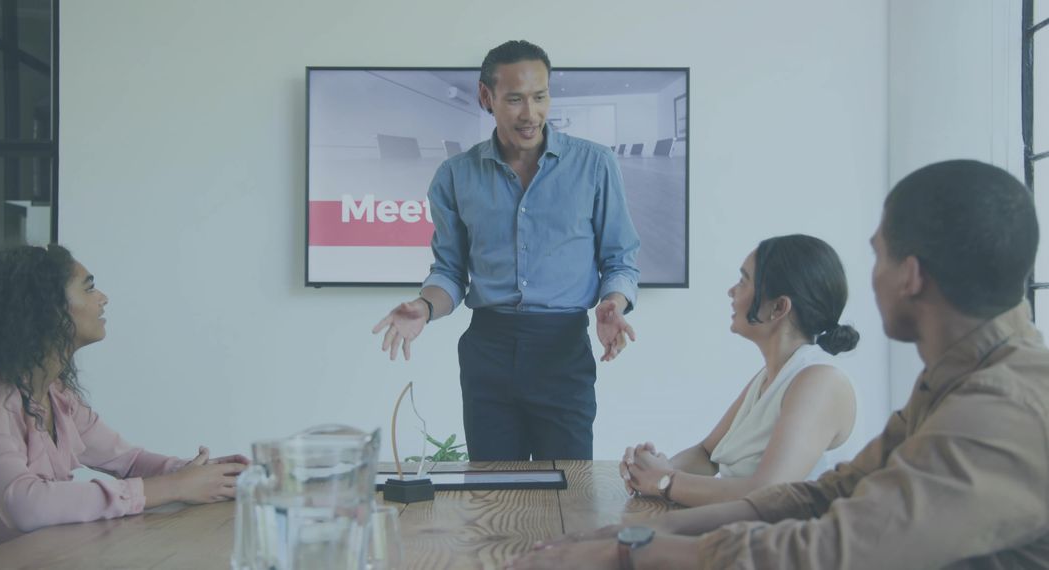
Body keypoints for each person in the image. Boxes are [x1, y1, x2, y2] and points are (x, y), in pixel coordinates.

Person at [509, 159, 1049, 569]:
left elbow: (828, 548)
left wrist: (632, 552)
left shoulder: (1004, 407)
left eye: (878, 255)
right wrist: (623, 538)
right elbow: (818, 496)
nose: (872, 277)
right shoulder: (956, 382)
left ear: (910, 275)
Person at [372, 40, 641, 461]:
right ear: (486, 97)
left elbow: (620, 259)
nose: (530, 114)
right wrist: (425, 306)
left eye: (540, 97)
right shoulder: (456, 175)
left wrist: (613, 302)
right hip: (488, 349)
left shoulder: (595, 164)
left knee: (570, 495)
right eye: (515, 99)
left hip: (562, 350)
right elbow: (449, 272)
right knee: (492, 497)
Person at [0, 245, 249, 556]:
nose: (103, 297)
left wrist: (201, 474)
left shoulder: (57, 396)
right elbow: (23, 504)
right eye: (88, 288)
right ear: (44, 308)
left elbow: (128, 461)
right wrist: (174, 487)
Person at [620, 234, 858, 508]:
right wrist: (646, 472)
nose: (732, 291)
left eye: (744, 281)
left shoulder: (820, 381)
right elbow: (706, 455)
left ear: (779, 307)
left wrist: (665, 481)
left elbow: (768, 493)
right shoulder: (773, 376)